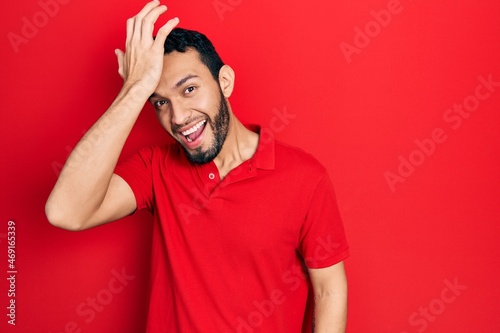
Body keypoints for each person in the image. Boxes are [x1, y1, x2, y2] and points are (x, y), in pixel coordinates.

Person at [45, 1, 349, 332]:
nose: (177, 117)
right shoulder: (154, 168)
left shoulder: (305, 177)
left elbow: (329, 288)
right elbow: (66, 212)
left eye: (189, 89)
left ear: (225, 82)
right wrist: (133, 90)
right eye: (160, 102)